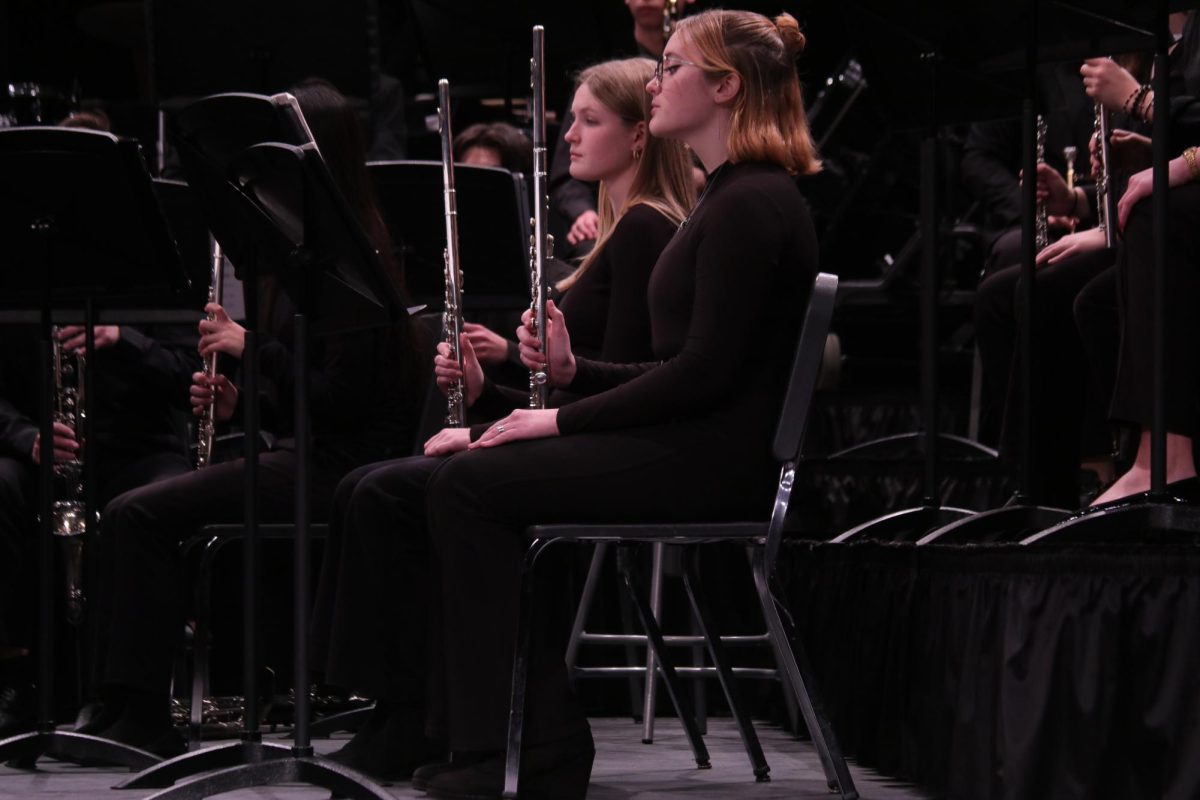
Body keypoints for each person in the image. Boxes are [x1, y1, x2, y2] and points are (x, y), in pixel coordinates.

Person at [417, 11, 819, 798]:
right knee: (459, 478)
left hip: (711, 462)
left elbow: (701, 377)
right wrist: (572, 376)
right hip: (691, 443)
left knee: (468, 488)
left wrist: (557, 418)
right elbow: (678, 370)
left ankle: (534, 750)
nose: (657, 80)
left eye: (671, 68)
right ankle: (500, 743)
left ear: (725, 87)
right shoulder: (729, 197)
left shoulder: (751, 203)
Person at [310, 55, 695, 783]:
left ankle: (424, 715)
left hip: (616, 453)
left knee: (389, 493)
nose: (569, 137)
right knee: (372, 485)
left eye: (589, 120)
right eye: (569, 119)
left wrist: (493, 420)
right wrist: (492, 390)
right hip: (591, 440)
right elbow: (585, 391)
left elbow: (615, 395)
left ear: (640, 137)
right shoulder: (624, 229)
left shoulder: (645, 231)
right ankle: (410, 711)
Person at [81, 79, 423, 756]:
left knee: (141, 514)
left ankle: (145, 712)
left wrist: (252, 350)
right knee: (125, 508)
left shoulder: (358, 253)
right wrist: (246, 399)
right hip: (307, 449)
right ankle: (120, 703)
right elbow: (305, 394)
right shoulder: (295, 254)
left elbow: (347, 401)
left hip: (345, 467)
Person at [0, 109, 202, 737]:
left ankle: (125, 696)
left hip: (138, 448)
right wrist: (27, 438)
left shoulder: (157, 257)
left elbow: (190, 378)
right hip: (50, 451)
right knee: (0, 484)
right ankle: (19, 678)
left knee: (150, 503)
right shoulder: (16, 257)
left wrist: (124, 338)